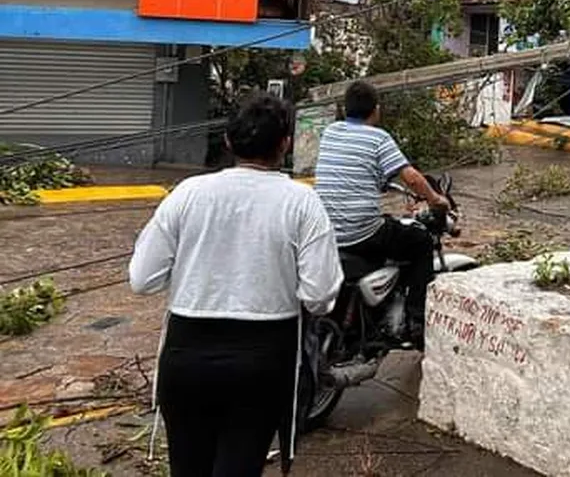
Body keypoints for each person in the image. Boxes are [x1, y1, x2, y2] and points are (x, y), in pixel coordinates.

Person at [129, 93, 342, 477]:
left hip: (187, 353)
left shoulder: (188, 193)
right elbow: (320, 295)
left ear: (228, 141)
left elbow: (143, 279)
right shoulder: (302, 202)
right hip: (263, 359)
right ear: (285, 144)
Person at [313, 81, 449, 351]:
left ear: (344, 110)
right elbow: (411, 177)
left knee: (388, 224)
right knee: (420, 240)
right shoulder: (378, 138)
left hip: (326, 230)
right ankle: (416, 321)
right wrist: (436, 199)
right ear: (376, 110)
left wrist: (379, 180)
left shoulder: (330, 132)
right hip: (360, 234)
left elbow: (352, 168)